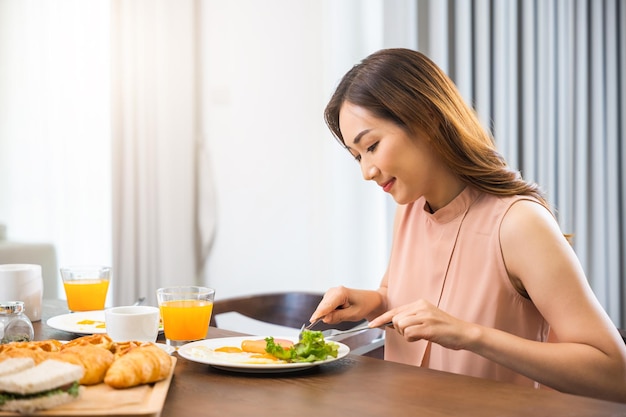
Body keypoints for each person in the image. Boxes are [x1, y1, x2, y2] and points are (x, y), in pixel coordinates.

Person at [310, 48, 626, 403]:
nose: (367, 172)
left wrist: (469, 335)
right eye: (357, 156)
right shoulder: (411, 208)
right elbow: (402, 300)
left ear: (426, 119)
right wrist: (369, 302)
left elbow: (615, 373)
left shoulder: (519, 224)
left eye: (372, 146)